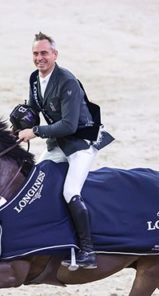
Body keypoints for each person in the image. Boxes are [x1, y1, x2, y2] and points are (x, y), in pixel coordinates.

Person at [16, 32, 114, 270]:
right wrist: (19, 125)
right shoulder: (34, 79)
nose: (40, 58)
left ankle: (87, 250)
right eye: (36, 54)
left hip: (80, 145)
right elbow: (33, 110)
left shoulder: (66, 80)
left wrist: (36, 131)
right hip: (57, 145)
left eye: (44, 53)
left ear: (54, 55)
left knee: (70, 191)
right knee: (34, 183)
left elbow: (69, 126)